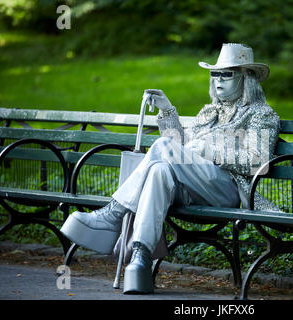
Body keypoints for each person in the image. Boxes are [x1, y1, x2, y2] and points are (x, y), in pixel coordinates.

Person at [60, 43, 280, 294]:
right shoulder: (210, 111)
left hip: (226, 189)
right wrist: (167, 109)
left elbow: (256, 160)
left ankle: (113, 214)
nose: (218, 80)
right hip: (192, 186)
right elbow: (178, 148)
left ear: (246, 78)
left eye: (226, 74)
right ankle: (141, 258)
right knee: (159, 172)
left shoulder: (261, 114)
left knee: (164, 148)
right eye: (214, 74)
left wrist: (208, 150)